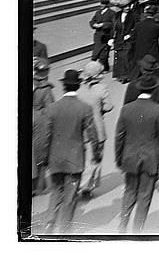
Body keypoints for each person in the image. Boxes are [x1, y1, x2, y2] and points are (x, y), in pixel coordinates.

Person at [114, 74, 159, 232]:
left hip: (130, 159)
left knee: (129, 192)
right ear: (153, 90)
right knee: (144, 197)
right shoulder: (158, 109)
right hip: (150, 160)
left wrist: (119, 159)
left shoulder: (126, 109)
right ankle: (137, 231)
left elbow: (119, 137)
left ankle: (122, 225)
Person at [42, 69, 101, 233]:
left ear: (63, 87)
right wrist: (96, 155)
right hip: (75, 159)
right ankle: (64, 229)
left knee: (56, 191)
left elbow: (46, 136)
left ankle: (49, 224)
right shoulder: (85, 108)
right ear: (77, 86)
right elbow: (93, 135)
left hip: (55, 158)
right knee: (70, 195)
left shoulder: (52, 108)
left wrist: (44, 158)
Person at [77, 62, 113, 198]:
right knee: (95, 159)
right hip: (97, 129)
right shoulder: (102, 88)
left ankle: (79, 183)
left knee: (83, 158)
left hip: (81, 129)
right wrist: (99, 109)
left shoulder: (78, 89)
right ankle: (87, 187)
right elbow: (109, 106)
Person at [32, 60, 55, 196]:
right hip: (41, 120)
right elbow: (50, 107)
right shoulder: (45, 88)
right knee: (42, 153)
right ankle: (39, 186)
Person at [131, 0, 159, 79]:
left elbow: (133, 36)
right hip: (152, 50)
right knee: (153, 67)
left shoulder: (138, 25)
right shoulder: (156, 26)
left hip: (140, 49)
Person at [89, 0, 116, 73]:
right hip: (98, 36)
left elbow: (113, 24)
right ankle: (104, 67)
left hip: (106, 36)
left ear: (107, 5)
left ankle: (98, 68)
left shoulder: (112, 13)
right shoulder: (98, 12)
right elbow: (92, 21)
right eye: (100, 4)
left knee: (104, 53)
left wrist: (104, 25)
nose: (101, 5)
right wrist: (93, 24)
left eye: (103, 4)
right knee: (96, 52)